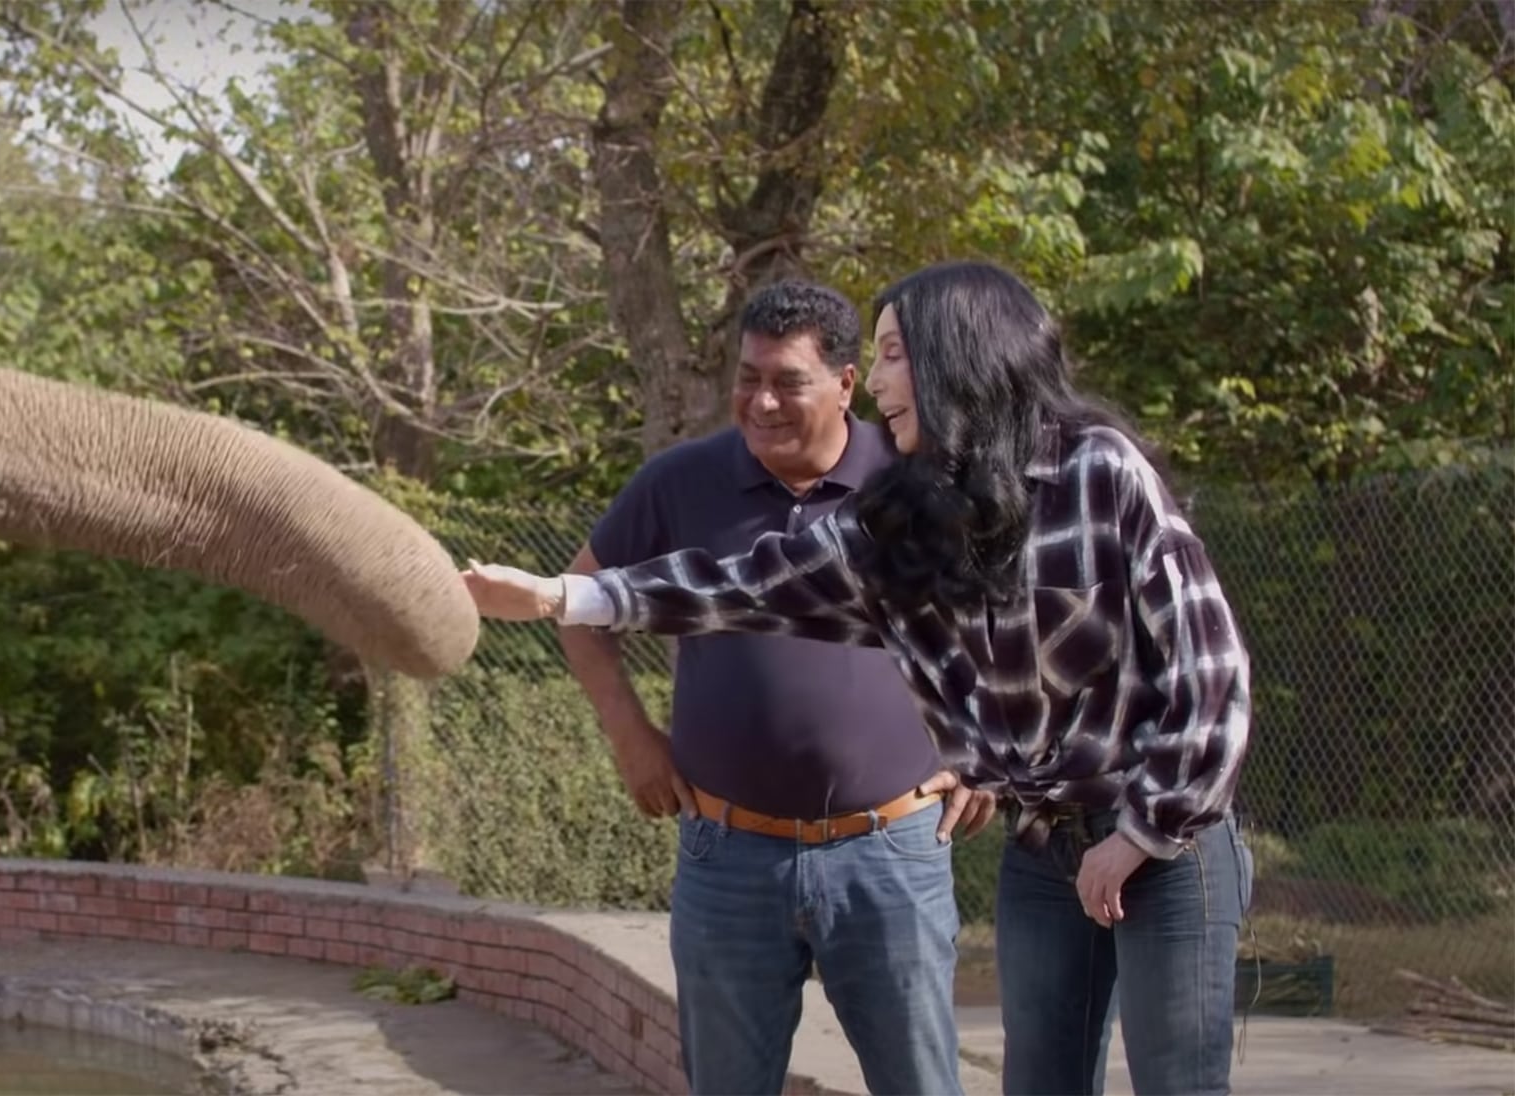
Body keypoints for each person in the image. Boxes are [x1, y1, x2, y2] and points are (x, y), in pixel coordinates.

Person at [466, 259, 1254, 1096]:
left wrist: (1139, 834)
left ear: (961, 355)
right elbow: (746, 585)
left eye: (889, 356)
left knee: (1177, 1083)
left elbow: (1211, 676)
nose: (874, 383)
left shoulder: (1099, 472)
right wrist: (560, 596)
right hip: (1041, 845)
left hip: (1170, 836)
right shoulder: (907, 515)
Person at [558, 280, 983, 1096]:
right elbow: (579, 607)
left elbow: (999, 628)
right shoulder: (678, 482)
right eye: (747, 377)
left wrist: (979, 751)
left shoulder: (916, 477)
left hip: (890, 852)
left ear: (846, 385)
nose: (760, 401)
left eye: (787, 381)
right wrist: (630, 737)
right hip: (729, 857)